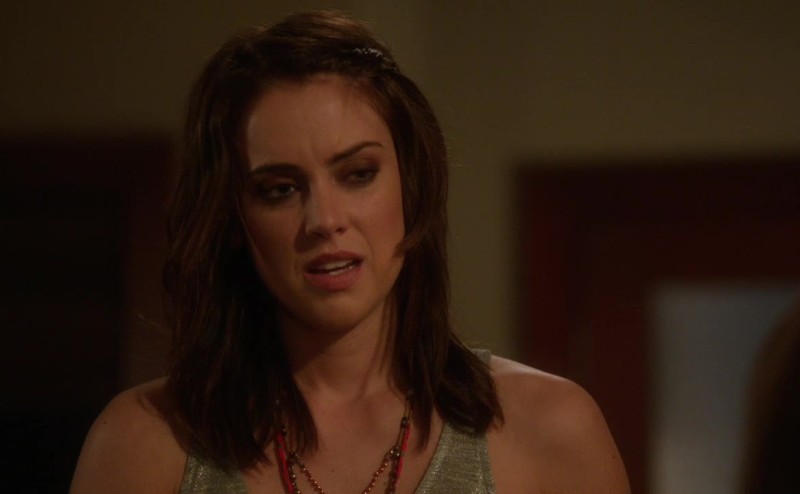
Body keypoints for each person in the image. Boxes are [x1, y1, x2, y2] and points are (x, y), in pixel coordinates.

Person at [71, 10, 628, 493]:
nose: (325, 220)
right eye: (280, 189)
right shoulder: (143, 442)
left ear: (411, 184)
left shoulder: (549, 428)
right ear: (234, 218)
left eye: (358, 174)